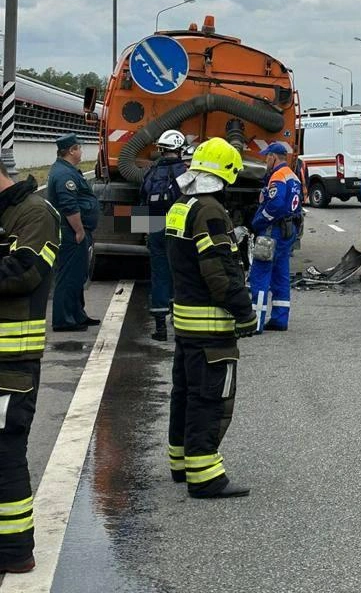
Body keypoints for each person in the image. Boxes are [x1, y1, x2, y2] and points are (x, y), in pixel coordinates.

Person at [165, 137, 258, 499]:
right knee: (210, 398)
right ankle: (205, 477)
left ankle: (181, 462)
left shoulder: (181, 205)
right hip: (210, 325)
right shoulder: (211, 211)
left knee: (185, 393)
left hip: (186, 322)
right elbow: (220, 269)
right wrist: (244, 311)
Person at [0, 162, 60, 575]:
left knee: (4, 455)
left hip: (10, 365)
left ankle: (15, 552)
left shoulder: (36, 214)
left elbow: (23, 272)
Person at [46, 134, 101, 332]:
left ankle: (77, 314)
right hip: (71, 233)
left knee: (78, 275)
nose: (81, 152)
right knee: (68, 275)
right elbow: (69, 205)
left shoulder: (67, 171)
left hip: (76, 231)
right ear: (71, 151)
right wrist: (78, 231)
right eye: (79, 148)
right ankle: (64, 320)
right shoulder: (64, 175)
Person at [139, 129, 187, 341]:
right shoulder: (185, 173)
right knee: (182, 274)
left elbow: (142, 201)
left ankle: (160, 329)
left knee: (159, 275)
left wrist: (145, 232)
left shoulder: (150, 172)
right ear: (179, 150)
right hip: (179, 229)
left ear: (161, 149)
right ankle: (181, 322)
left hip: (155, 227)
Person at [249, 142, 302, 332]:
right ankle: (280, 319)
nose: (265, 160)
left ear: (273, 157)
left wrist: (259, 222)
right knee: (280, 275)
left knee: (260, 274)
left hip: (273, 231)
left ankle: (255, 322)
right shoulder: (293, 176)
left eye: (267, 157)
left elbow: (276, 205)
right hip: (288, 230)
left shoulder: (278, 176)